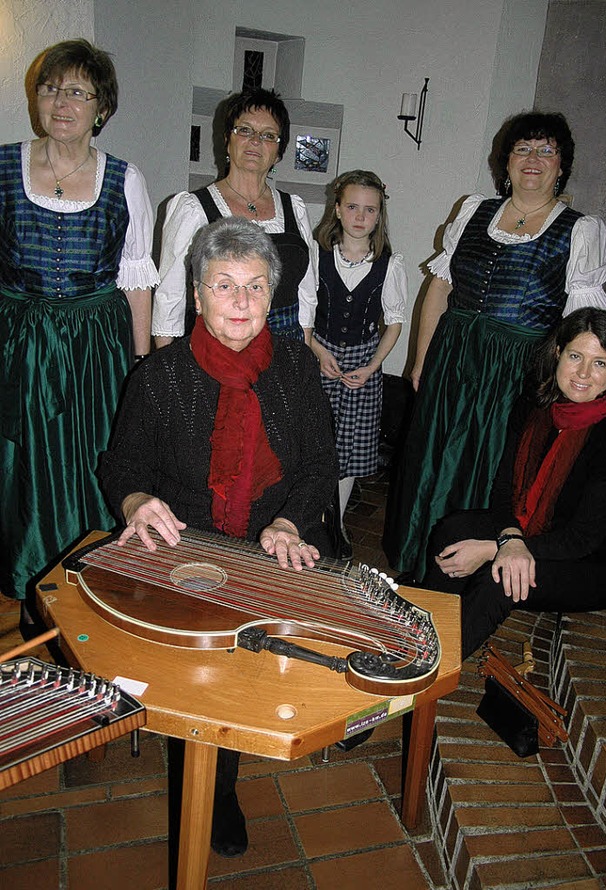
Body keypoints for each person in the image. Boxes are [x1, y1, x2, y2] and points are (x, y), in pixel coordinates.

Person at [100, 217, 339, 856]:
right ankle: (214, 781)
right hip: (185, 542)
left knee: (276, 658)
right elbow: (120, 467)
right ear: (198, 295)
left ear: (273, 297)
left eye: (255, 288)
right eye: (224, 286)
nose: (240, 302)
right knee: (210, 666)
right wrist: (138, 501)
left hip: (271, 535)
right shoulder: (161, 375)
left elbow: (320, 463)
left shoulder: (293, 366)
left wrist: (290, 520)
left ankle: (229, 759)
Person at [383, 111, 606, 584]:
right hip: (452, 357)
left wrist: (577, 378)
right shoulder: (473, 210)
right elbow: (441, 289)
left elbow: (582, 322)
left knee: (492, 465)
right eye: (522, 149)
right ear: (505, 161)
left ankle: (468, 571)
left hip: (518, 367)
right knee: (433, 455)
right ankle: (417, 558)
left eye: (546, 151)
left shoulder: (579, 230)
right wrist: (421, 358)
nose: (533, 160)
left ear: (561, 166)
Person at [0, 39, 159, 621]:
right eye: (49, 88)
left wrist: (142, 370)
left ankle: (90, 594)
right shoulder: (2, 166)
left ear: (102, 108)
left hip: (96, 349)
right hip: (19, 347)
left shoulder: (124, 179)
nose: (60, 102)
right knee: (25, 472)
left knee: (96, 464)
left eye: (77, 91)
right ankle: (30, 591)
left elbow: (136, 279)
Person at [421, 308, 606, 659]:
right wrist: (509, 538)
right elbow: (503, 490)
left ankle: (432, 665)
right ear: (557, 353)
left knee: (503, 579)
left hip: (594, 563)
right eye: (575, 356)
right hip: (534, 529)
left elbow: (581, 539)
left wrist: (498, 549)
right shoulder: (536, 405)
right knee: (455, 530)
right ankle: (422, 627)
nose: (583, 373)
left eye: (600, 363)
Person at [152, 87, 318, 346]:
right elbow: (169, 297)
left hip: (284, 351)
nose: (255, 141)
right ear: (227, 140)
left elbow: (306, 293)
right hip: (216, 350)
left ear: (279, 151)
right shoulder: (193, 208)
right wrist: (165, 370)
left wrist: (304, 355)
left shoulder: (294, 208)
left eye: (268, 135)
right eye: (245, 130)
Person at [312, 170, 407, 556]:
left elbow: (395, 322)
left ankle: (334, 523)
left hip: (362, 367)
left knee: (348, 450)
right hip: (319, 356)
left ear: (379, 214)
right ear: (337, 209)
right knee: (313, 442)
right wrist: (317, 351)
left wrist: (371, 367)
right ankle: (310, 517)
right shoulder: (315, 254)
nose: (360, 216)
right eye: (352, 206)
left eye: (370, 209)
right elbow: (304, 312)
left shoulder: (389, 263)